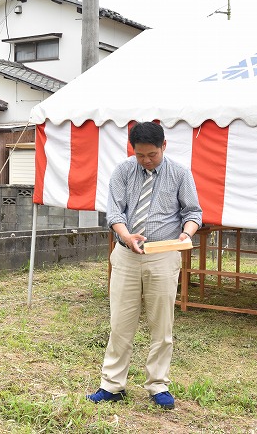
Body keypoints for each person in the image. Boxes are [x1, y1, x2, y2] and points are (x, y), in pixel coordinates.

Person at [86, 121, 202, 410]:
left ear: (164, 146)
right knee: (120, 323)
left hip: (163, 254)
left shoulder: (179, 173)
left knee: (161, 324)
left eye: (151, 154)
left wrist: (186, 234)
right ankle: (112, 385)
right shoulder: (123, 171)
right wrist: (126, 236)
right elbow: (114, 212)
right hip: (126, 254)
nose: (146, 160)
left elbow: (193, 212)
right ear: (132, 150)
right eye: (140, 155)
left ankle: (157, 384)